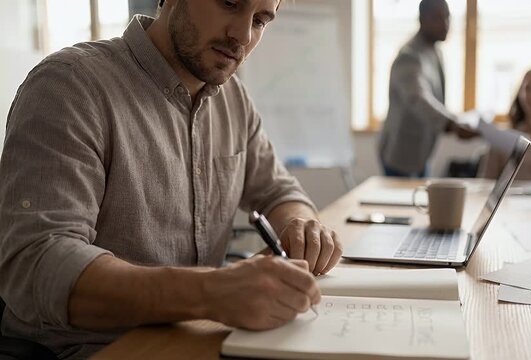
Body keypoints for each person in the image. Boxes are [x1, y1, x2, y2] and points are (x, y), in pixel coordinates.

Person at [0, 0, 343, 358]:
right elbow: (39, 263)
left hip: (191, 339)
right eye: (229, 4)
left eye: (259, 20)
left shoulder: (233, 99)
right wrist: (211, 293)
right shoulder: (70, 86)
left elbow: (278, 190)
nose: (242, 35)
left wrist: (302, 226)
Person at [378, 0, 478, 178]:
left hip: (422, 153)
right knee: (404, 204)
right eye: (438, 18)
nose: (445, 24)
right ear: (421, 20)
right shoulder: (409, 56)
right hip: (401, 154)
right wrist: (452, 125)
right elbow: (418, 98)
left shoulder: (434, 51)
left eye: (447, 17)